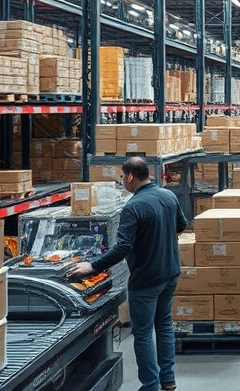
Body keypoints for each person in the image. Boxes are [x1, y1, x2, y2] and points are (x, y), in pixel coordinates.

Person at [71, 157, 188, 391]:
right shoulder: (168, 196)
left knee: (143, 333)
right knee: (164, 324)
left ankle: (150, 386)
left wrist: (93, 267)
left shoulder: (133, 207)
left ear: (131, 177)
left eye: (123, 176)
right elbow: (182, 225)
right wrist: (160, 237)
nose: (123, 180)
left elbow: (122, 247)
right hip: (170, 272)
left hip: (146, 279)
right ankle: (168, 379)